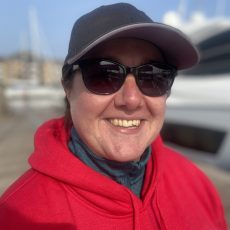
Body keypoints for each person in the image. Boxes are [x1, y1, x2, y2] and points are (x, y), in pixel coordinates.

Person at [0, 3, 227, 230]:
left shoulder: (196, 183)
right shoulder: (17, 217)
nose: (131, 100)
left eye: (153, 76)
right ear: (67, 89)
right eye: (104, 75)